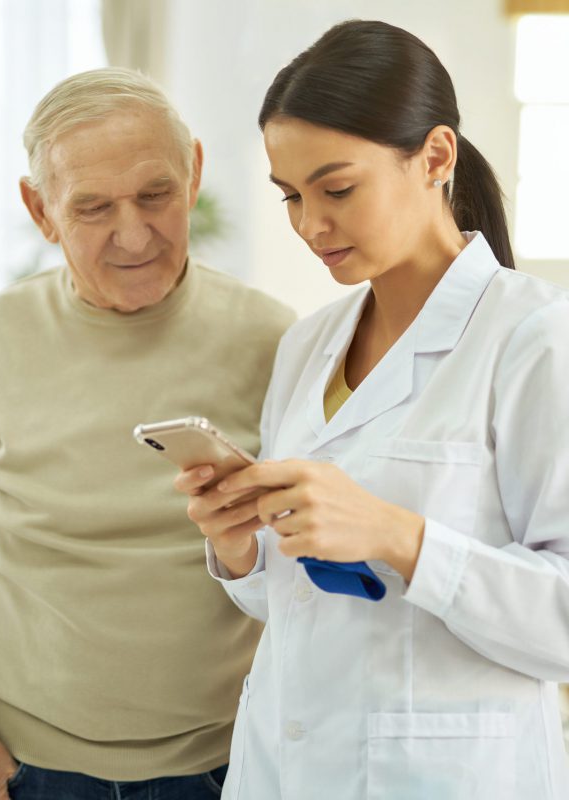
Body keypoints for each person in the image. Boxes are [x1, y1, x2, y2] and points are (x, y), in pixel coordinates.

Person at [0, 67, 295, 800]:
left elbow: (314, 560)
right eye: (93, 207)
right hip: (22, 767)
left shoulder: (277, 342)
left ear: (194, 173)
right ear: (40, 210)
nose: (133, 234)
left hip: (231, 765)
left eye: (156, 194)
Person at [176, 20, 569, 799]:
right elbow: (294, 600)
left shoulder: (532, 339)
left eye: (337, 189)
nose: (309, 225)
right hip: (280, 766)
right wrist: (242, 550)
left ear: (435, 157)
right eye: (291, 196)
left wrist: (400, 536)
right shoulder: (309, 344)